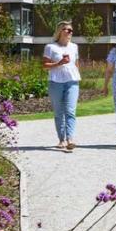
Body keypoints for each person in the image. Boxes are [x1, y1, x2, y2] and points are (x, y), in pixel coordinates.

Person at [42, 21, 81, 152]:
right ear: (60, 31)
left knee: (70, 111)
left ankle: (70, 139)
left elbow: (76, 64)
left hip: (72, 81)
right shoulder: (50, 47)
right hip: (55, 82)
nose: (70, 32)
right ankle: (61, 140)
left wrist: (77, 75)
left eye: (71, 30)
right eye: (67, 30)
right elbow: (44, 65)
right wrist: (59, 63)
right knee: (59, 112)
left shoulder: (74, 47)